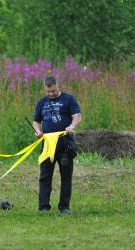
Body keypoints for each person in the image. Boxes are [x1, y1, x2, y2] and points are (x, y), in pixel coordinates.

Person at [32, 76, 82, 214]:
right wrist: (38, 131)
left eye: (53, 91)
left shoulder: (68, 99)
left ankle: (64, 207)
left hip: (65, 144)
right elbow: (36, 121)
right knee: (45, 176)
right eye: (48, 92)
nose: (51, 94)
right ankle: (43, 207)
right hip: (48, 145)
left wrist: (72, 126)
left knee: (66, 176)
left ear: (57, 86)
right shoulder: (42, 102)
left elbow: (77, 116)